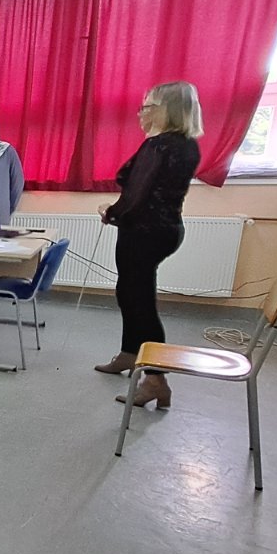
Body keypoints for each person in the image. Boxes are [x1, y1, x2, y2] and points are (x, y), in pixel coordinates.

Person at [95, 82, 204, 408]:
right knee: (129, 293)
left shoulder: (160, 145)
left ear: (166, 110)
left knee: (140, 303)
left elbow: (138, 193)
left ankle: (156, 380)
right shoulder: (185, 145)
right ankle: (130, 354)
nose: (141, 113)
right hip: (161, 230)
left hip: (145, 232)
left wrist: (112, 212)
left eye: (147, 106)